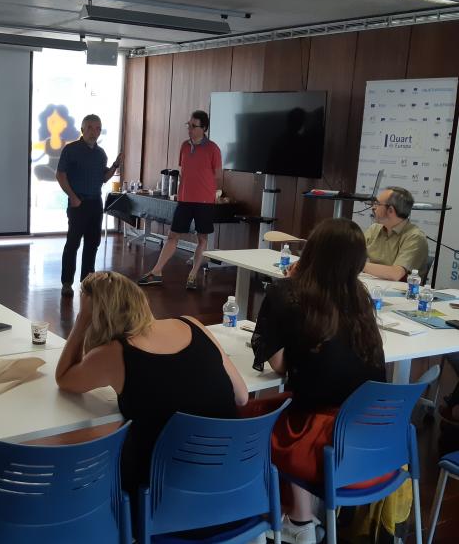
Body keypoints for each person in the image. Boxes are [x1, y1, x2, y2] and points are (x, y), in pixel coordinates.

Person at [55, 271, 248, 510]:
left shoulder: (114, 353)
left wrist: (82, 319)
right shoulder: (193, 324)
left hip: (161, 498)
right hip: (232, 486)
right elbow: (242, 396)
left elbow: (64, 378)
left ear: (98, 314)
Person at [252, 218, 387, 544]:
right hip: (374, 435)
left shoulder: (288, 294)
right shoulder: (359, 297)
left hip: (317, 432)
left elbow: (279, 364)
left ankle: (300, 522)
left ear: (311, 251)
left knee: (259, 417)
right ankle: (315, 513)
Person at [138, 110, 222, 290]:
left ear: (204, 128)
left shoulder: (213, 148)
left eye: (194, 126)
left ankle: (192, 275)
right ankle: (157, 272)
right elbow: (184, 170)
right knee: (172, 235)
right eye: (188, 125)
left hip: (205, 202)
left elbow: (217, 174)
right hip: (184, 200)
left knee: (202, 238)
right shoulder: (184, 146)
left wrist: (209, 192)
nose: (190, 129)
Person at [56, 114, 122, 297]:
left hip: (95, 203)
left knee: (93, 243)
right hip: (78, 203)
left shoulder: (101, 154)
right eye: (91, 128)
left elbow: (103, 178)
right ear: (82, 129)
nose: (94, 132)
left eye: (98, 128)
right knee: (73, 243)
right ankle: (67, 283)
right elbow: (60, 175)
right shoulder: (71, 150)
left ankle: (87, 281)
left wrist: (115, 165)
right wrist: (73, 197)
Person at [362, 186, 428, 281]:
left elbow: (396, 274)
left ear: (390, 210)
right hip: (374, 286)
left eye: (377, 204)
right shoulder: (374, 229)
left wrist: (357, 264)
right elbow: (353, 254)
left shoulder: (415, 237)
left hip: (401, 293)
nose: (373, 207)